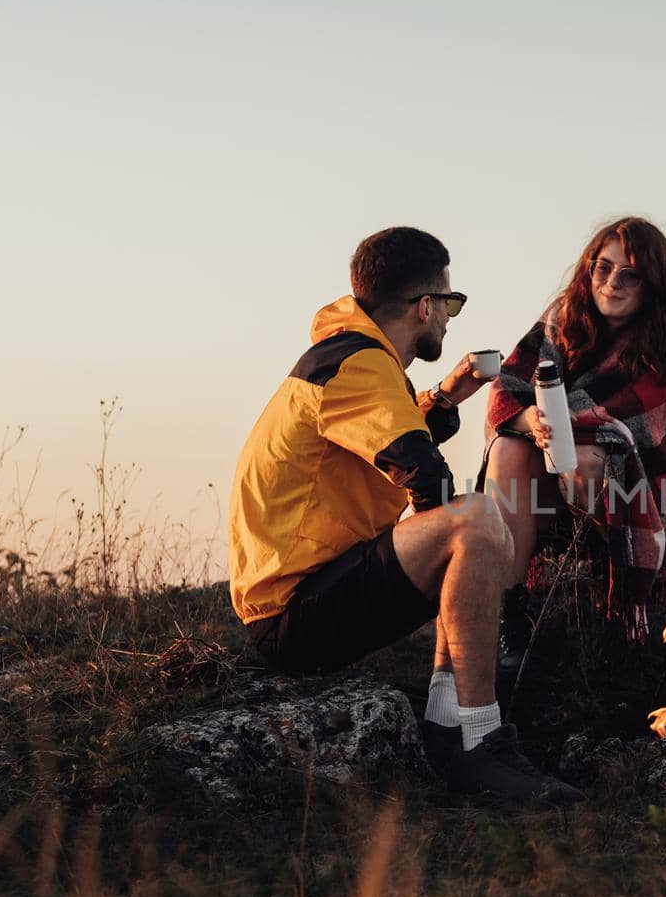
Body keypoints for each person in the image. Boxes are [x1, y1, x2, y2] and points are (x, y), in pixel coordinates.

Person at [228, 226, 583, 807]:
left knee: (465, 523)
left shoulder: (350, 355)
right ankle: (476, 740)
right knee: (470, 519)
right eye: (451, 304)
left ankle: (451, 718)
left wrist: (447, 396)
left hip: (308, 591)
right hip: (294, 613)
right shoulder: (356, 364)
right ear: (425, 306)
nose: (449, 319)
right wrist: (481, 569)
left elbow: (388, 434)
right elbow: (424, 475)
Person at [480, 217, 666, 693]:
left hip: (629, 479)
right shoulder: (564, 316)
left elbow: (642, 419)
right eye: (603, 268)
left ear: (652, 284)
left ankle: (613, 579)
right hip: (545, 473)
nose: (611, 283)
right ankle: (510, 617)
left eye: (629, 274)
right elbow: (508, 385)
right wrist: (529, 422)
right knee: (506, 448)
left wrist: (558, 421)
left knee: (588, 456)